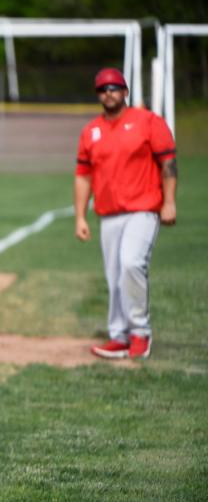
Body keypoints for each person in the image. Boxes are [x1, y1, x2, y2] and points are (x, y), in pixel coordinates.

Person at [74, 67, 177, 360]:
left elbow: (168, 162)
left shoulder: (148, 122)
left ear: (125, 91)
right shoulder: (91, 131)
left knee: (132, 264)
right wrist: (80, 216)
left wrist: (169, 202)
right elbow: (83, 175)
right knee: (114, 276)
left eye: (114, 88)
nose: (109, 93)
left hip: (143, 209)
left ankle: (140, 333)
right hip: (109, 213)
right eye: (103, 89)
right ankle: (118, 336)